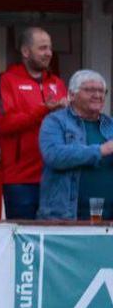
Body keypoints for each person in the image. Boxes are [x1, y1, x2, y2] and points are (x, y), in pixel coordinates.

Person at [0, 27, 68, 220]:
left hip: (55, 177)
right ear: (26, 52)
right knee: (23, 238)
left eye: (50, 48)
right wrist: (45, 109)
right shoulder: (7, 80)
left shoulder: (57, 83)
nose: (49, 53)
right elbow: (6, 123)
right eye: (43, 48)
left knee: (52, 240)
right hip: (21, 179)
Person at [38, 69, 113, 221]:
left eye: (101, 91)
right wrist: (100, 150)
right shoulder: (55, 122)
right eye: (89, 90)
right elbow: (54, 155)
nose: (97, 95)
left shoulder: (111, 125)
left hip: (108, 221)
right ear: (72, 95)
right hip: (66, 218)